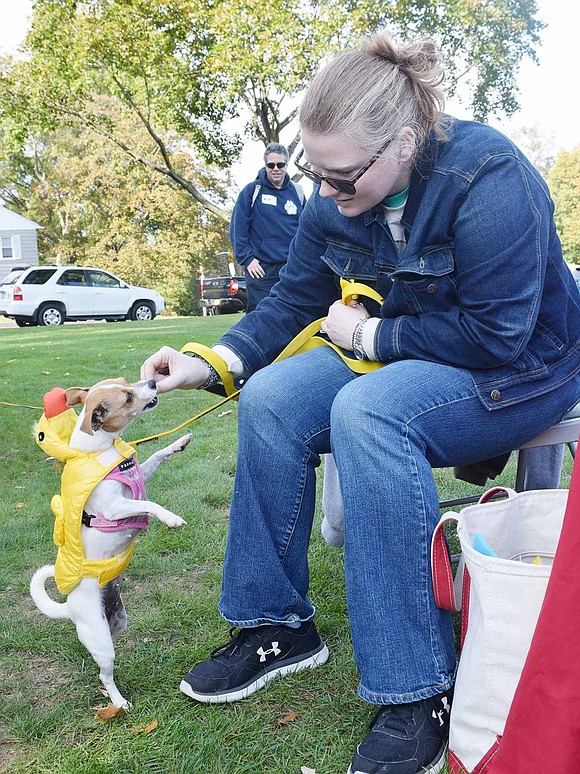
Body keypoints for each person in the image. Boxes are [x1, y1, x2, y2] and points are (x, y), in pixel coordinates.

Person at [141, 34, 580, 774]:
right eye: (317, 172)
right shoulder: (336, 195)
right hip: (412, 351)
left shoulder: (489, 173)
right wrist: (205, 362)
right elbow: (292, 302)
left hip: (525, 366)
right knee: (276, 397)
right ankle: (275, 626)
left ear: (403, 143)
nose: (329, 191)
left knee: (370, 414)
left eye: (342, 176)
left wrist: (371, 334)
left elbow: (500, 335)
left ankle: (419, 689)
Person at [229, 142, 305, 312]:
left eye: (280, 165)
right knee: (261, 316)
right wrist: (247, 259)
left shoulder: (298, 192)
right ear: (265, 166)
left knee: (292, 314)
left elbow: (307, 230)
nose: (276, 169)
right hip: (261, 270)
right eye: (271, 165)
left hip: (291, 268)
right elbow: (237, 228)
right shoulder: (251, 191)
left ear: (286, 165)